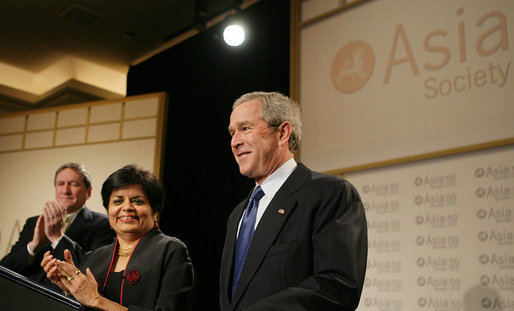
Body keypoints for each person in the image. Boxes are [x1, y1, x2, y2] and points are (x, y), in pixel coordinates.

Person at [221, 91, 368, 310]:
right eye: (232, 132)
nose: (235, 142)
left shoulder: (330, 194)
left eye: (245, 128)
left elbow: (338, 286)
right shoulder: (239, 214)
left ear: (282, 133)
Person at [42, 165, 194, 311]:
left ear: (155, 212)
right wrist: (71, 291)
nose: (127, 207)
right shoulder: (92, 258)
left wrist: (97, 300)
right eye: (118, 201)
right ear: (108, 211)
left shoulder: (170, 250)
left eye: (137, 201)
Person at [0, 162, 115, 290]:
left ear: (88, 191)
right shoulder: (33, 222)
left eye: (74, 184)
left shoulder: (103, 224)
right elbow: (4, 268)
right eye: (61, 184)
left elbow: (92, 270)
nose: (65, 191)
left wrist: (57, 238)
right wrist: (33, 246)